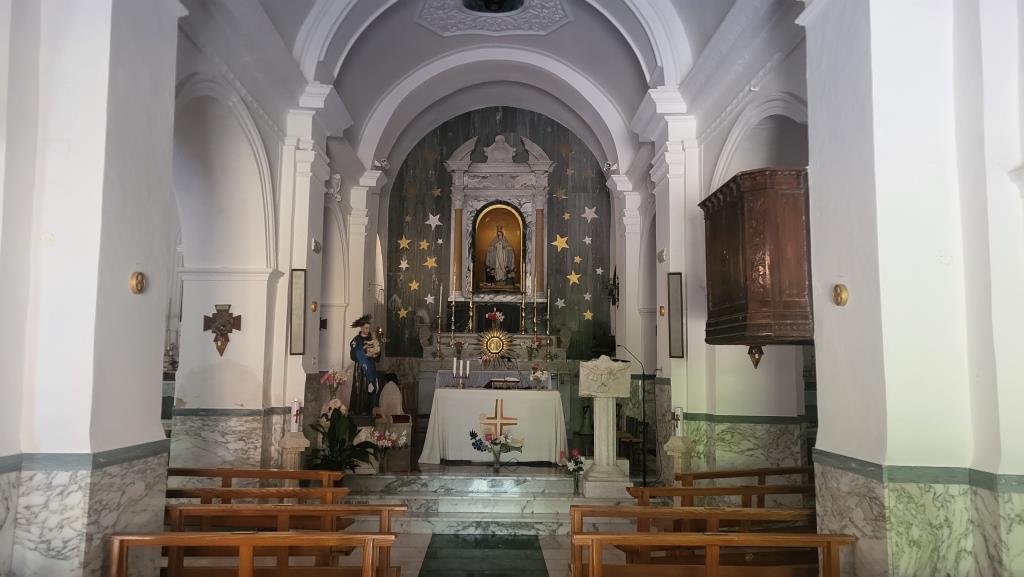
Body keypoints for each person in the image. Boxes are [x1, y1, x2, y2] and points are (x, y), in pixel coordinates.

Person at [349, 314, 381, 415]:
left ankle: (368, 410)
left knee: (370, 388)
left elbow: (377, 357)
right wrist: (363, 353)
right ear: (361, 327)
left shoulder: (372, 339)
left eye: (369, 328)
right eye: (366, 328)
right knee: (359, 388)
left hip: (370, 367)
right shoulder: (356, 340)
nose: (368, 330)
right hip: (360, 368)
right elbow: (353, 355)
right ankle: (357, 410)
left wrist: (375, 353)